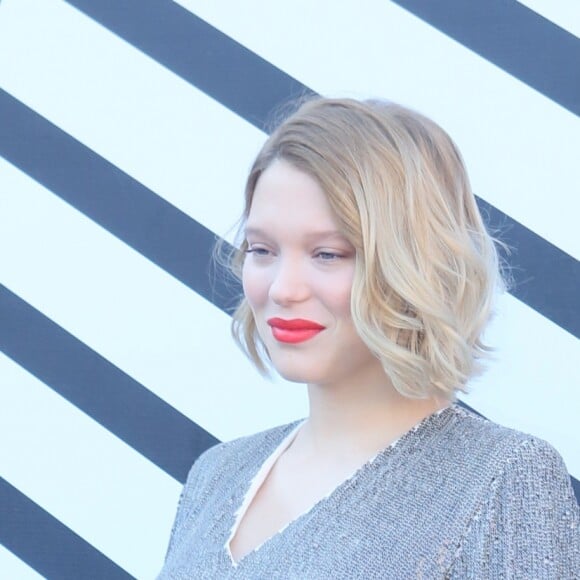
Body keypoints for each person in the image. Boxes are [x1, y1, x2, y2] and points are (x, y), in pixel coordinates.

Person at [157, 98, 579, 579]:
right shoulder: (216, 475)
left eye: (328, 254)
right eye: (261, 250)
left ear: (416, 262)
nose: (282, 288)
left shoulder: (501, 479)